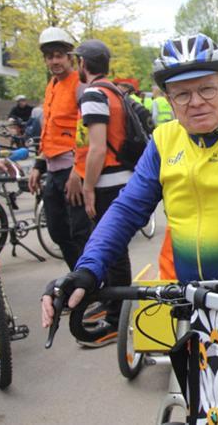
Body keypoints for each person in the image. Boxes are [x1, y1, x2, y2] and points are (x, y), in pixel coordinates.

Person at [41, 32, 218, 331]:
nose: (196, 102)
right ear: (169, 99)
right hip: (193, 296)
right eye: (182, 94)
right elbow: (127, 210)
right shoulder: (164, 140)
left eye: (207, 89)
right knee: (191, 374)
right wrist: (89, 267)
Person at [67, 39, 135, 346]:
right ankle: (111, 305)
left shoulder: (94, 93)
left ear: (83, 64)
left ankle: (116, 317)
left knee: (113, 249)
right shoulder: (114, 90)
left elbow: (96, 147)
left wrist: (88, 186)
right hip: (122, 175)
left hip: (107, 180)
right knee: (114, 247)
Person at [28, 27, 93, 271]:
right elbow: (50, 133)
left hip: (73, 170)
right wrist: (37, 165)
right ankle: (81, 283)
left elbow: (86, 131)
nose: (54, 60)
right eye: (50, 56)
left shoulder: (80, 85)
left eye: (59, 55)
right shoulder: (52, 86)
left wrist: (79, 172)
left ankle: (97, 290)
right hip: (53, 171)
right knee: (57, 231)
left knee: (81, 233)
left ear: (70, 58)